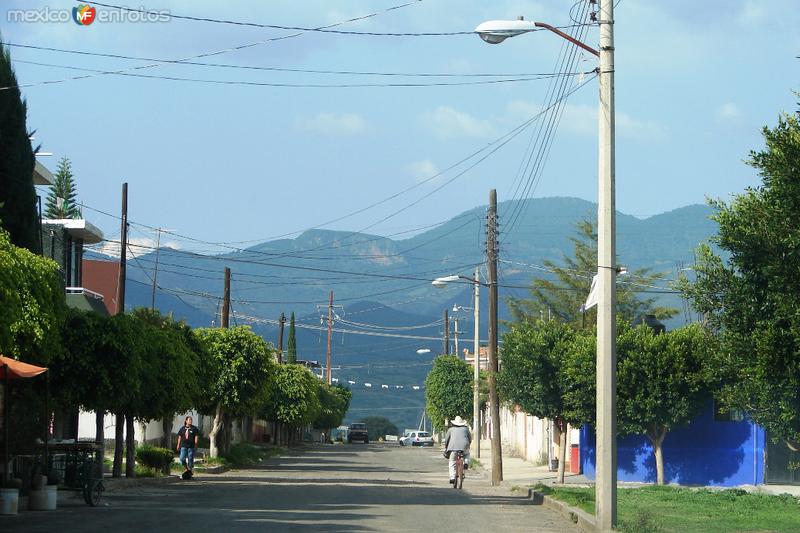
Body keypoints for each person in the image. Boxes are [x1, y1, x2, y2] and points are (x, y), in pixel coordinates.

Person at [444, 416, 472, 485]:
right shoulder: (466, 429)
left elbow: (447, 439)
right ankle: (466, 463)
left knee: (452, 461)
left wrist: (446, 447)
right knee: (467, 454)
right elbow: (470, 438)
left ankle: (452, 477)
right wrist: (468, 444)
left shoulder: (450, 429)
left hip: (453, 447)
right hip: (464, 446)